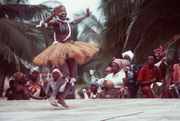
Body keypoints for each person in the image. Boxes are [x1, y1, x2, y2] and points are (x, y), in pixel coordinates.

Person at [33, 5, 99, 107]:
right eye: (61, 12)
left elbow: (76, 21)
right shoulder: (56, 22)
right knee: (65, 75)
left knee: (73, 77)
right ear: (57, 13)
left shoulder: (69, 21)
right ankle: (53, 96)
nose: (63, 13)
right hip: (59, 49)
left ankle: (62, 99)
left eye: (64, 11)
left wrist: (86, 16)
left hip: (70, 47)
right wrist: (53, 15)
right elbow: (44, 23)